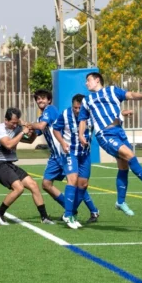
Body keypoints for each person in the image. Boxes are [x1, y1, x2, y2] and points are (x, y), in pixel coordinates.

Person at [77, 72, 142, 217]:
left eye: (88, 80)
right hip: (104, 134)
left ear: (97, 80)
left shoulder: (112, 91)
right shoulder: (87, 100)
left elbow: (131, 95)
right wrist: (81, 134)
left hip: (119, 132)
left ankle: (120, 202)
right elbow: (82, 120)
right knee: (130, 155)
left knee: (124, 166)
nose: (86, 83)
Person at [0, 108, 56, 225]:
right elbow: (9, 145)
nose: (15, 125)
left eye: (16, 122)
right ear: (6, 120)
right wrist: (22, 132)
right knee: (19, 188)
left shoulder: (17, 129)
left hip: (9, 163)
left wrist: (32, 130)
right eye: (12, 123)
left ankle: (44, 217)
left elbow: (30, 141)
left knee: (34, 185)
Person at [26, 90, 82, 228]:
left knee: (76, 182)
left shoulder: (50, 110)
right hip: (54, 156)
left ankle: (92, 211)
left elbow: (41, 126)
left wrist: (26, 123)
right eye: (38, 99)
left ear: (49, 100)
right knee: (46, 184)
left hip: (63, 152)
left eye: (43, 98)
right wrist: (18, 136)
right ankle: (71, 209)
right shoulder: (41, 117)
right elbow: (32, 139)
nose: (40, 101)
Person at [52, 94, 100, 225]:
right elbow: (55, 129)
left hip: (85, 154)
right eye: (75, 107)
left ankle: (72, 212)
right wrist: (62, 142)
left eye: (80, 108)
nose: (77, 110)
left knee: (83, 185)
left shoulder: (92, 114)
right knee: (72, 180)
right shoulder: (65, 114)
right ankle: (68, 214)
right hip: (70, 152)